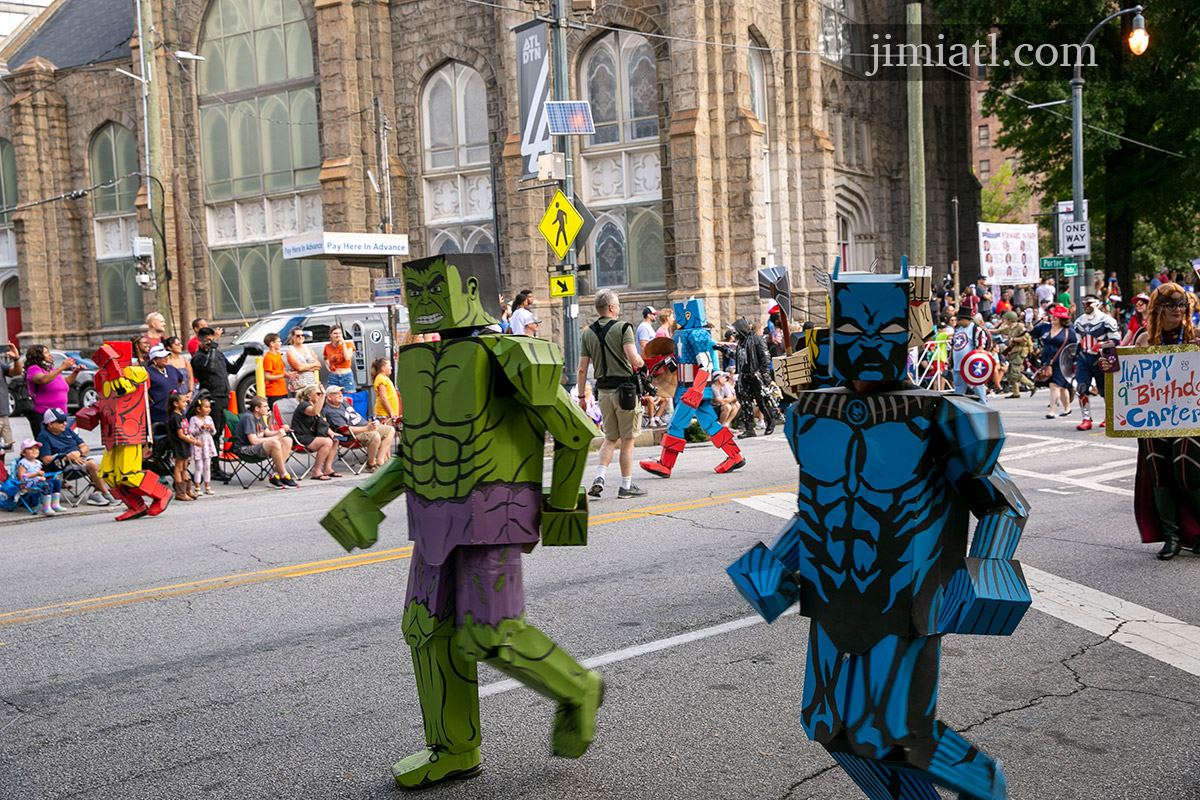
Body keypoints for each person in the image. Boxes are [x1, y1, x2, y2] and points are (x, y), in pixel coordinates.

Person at [727, 262, 1029, 800]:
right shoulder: (813, 415)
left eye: (883, 331)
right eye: (851, 330)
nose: (866, 343)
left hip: (904, 597)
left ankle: (986, 783)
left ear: (906, 332)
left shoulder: (941, 417)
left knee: (897, 733)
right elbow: (823, 506)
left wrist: (989, 569)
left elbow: (1001, 502)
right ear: (833, 333)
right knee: (827, 726)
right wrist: (778, 564)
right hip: (832, 596)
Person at [321, 253, 602, 788]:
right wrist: (367, 499)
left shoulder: (512, 354)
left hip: (491, 513)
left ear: (472, 286)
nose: (425, 297)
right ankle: (453, 749)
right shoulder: (420, 362)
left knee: (492, 634)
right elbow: (420, 451)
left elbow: (574, 432)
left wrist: (563, 507)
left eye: (436, 285)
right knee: (425, 631)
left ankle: (577, 688)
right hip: (432, 518)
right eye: (417, 287)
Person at [1130, 283, 1200, 559]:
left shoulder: (1196, 335)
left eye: (1182, 304)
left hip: (1191, 415)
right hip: (1154, 417)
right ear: (1157, 309)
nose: (1178, 310)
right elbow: (1129, 378)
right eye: (1171, 305)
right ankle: (1171, 536)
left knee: (1186, 471)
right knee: (1159, 474)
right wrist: (1110, 367)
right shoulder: (1144, 339)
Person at [578, 289, 647, 499]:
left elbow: (581, 369)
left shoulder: (587, 333)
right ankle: (626, 486)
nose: (618, 308)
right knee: (627, 439)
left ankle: (600, 476)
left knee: (610, 438)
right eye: (617, 305)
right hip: (625, 391)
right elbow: (634, 358)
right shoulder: (623, 327)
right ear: (611, 308)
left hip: (603, 392)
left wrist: (582, 397)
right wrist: (644, 364)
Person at [191, 326, 258, 484]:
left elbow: (233, 369)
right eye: (207, 341)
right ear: (200, 341)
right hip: (211, 397)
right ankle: (213, 469)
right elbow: (209, 367)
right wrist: (212, 349)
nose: (211, 343)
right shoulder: (199, 357)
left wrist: (244, 354)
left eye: (212, 340)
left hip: (223, 395)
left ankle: (215, 467)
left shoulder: (218, 354)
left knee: (219, 431)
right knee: (213, 433)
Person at [37, 408, 115, 506]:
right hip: (65, 466)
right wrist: (68, 457)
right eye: (61, 421)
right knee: (91, 464)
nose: (65, 423)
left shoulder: (67, 431)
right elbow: (46, 460)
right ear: (50, 424)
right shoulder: (44, 436)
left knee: (109, 459)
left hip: (80, 459)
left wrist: (77, 453)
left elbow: (85, 447)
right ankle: (106, 493)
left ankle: (96, 493)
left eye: (65, 420)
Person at [1072, 294, 1120, 431]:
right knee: (1081, 387)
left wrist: (1101, 344)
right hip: (1084, 358)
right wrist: (1074, 360)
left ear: (1097, 304)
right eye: (1084, 304)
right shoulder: (1079, 321)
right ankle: (1086, 418)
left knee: (1105, 390)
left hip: (1101, 359)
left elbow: (1115, 340)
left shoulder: (1107, 320)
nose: (1086, 307)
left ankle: (1109, 416)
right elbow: (1078, 342)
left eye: (1089, 304)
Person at [321, 383, 395, 472]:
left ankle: (380, 460)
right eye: (337, 393)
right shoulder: (330, 411)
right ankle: (371, 464)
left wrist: (370, 425)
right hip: (352, 436)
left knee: (390, 430)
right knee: (375, 435)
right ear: (329, 397)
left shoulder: (344, 402)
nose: (341, 395)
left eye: (341, 392)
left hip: (366, 427)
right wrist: (367, 428)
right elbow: (345, 431)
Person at [232, 395, 298, 489]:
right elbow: (254, 441)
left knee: (287, 440)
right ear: (257, 408)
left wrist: (280, 430)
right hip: (245, 448)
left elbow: (266, 433)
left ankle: (275, 475)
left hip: (257, 447)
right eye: (265, 406)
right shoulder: (249, 418)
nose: (268, 408)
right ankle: (284, 474)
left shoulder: (259, 417)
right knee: (274, 443)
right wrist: (276, 437)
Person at [25, 345, 82, 437]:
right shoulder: (33, 369)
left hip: (61, 415)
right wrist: (62, 367)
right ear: (38, 356)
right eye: (46, 353)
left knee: (64, 444)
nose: (50, 355)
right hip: (44, 414)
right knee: (47, 445)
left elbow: (66, 382)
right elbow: (43, 380)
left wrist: (76, 372)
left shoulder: (51, 370)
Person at [731, 318, 773, 438]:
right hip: (745, 376)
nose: (735, 334)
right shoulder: (741, 343)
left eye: (736, 331)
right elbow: (740, 357)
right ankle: (749, 429)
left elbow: (765, 358)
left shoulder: (757, 339)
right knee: (745, 402)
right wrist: (724, 350)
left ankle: (770, 421)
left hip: (756, 375)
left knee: (762, 401)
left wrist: (765, 374)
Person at [292, 383, 338, 480]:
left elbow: (324, 424)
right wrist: (323, 396)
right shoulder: (304, 405)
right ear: (309, 396)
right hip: (301, 437)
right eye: (318, 393)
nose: (321, 395)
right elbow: (314, 411)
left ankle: (327, 469)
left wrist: (331, 433)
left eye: (321, 394)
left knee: (334, 440)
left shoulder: (320, 407)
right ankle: (316, 471)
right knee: (326, 442)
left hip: (313, 436)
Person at [1039, 305, 1076, 419]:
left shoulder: (1069, 331)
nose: (1053, 318)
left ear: (1062, 319)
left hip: (1063, 362)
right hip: (1047, 361)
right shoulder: (1046, 327)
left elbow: (1076, 346)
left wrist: (1074, 362)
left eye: (1056, 317)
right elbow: (1031, 331)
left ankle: (1052, 410)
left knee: (1054, 385)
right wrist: (1029, 321)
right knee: (1062, 387)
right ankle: (1067, 408)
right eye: (1052, 316)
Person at [949, 305, 990, 403]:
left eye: (959, 319)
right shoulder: (957, 330)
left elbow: (980, 347)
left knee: (978, 387)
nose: (957, 322)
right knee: (959, 388)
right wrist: (950, 360)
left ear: (966, 319)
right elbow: (953, 346)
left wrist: (978, 361)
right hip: (958, 364)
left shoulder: (976, 330)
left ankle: (983, 406)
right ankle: (958, 407)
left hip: (972, 364)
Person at [16, 438, 62, 515]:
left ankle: (55, 504)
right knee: (47, 485)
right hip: (28, 484)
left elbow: (40, 474)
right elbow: (22, 477)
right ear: (23, 453)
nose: (34, 450)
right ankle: (46, 507)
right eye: (30, 449)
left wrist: (41, 477)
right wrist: (36, 474)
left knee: (56, 482)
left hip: (38, 481)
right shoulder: (23, 463)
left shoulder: (37, 462)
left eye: (36, 448)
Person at [996, 311, 1036, 398]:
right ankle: (1016, 392)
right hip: (1014, 352)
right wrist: (987, 330)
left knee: (1015, 372)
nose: (1004, 320)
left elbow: (1024, 339)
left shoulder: (1020, 327)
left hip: (1020, 352)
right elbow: (999, 331)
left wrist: (1014, 340)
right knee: (1010, 373)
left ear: (1010, 319)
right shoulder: (1010, 328)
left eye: (1005, 319)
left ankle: (1032, 385)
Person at [146, 344, 187, 427]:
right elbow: (143, 390)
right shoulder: (148, 372)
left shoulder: (171, 368)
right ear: (154, 359)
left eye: (166, 356)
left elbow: (180, 380)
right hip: (159, 412)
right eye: (162, 357)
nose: (166, 358)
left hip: (177, 410)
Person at [167, 391, 197, 502]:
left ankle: (187, 489)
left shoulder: (182, 415)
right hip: (179, 445)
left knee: (185, 467)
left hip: (185, 444)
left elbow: (187, 431)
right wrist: (194, 442)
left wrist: (191, 437)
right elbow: (180, 435)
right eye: (183, 402)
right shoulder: (175, 417)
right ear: (175, 404)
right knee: (178, 468)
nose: (185, 403)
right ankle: (180, 492)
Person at [188, 395, 219, 495]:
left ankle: (207, 486)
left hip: (207, 443)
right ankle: (197, 487)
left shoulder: (209, 419)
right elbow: (191, 432)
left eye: (209, 407)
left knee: (207, 466)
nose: (208, 409)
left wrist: (211, 428)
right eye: (206, 407)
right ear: (198, 409)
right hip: (198, 444)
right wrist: (200, 428)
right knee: (198, 466)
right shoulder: (193, 419)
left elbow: (214, 432)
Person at [285, 328, 320, 393]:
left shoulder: (309, 349)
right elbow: (299, 368)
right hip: (299, 385)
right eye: (298, 335)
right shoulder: (290, 351)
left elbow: (318, 365)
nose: (300, 337)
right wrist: (313, 366)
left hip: (312, 383)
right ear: (292, 337)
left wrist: (304, 367)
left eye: (302, 335)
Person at [323, 325, 357, 392]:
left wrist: (343, 343)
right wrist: (327, 367)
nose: (337, 335)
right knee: (333, 396)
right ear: (331, 335)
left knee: (349, 396)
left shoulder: (348, 345)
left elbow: (347, 357)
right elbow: (325, 358)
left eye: (339, 333)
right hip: (334, 376)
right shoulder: (327, 347)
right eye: (335, 333)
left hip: (346, 375)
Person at [261, 333, 290, 408]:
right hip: (273, 392)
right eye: (278, 341)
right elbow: (267, 376)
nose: (280, 343)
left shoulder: (278, 355)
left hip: (282, 390)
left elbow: (281, 369)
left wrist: (290, 375)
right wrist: (283, 375)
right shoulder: (268, 358)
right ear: (272, 344)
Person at [0, 340, 20, 452]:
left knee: (5, 450)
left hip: (3, 414)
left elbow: (16, 372)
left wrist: (16, 359)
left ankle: (2, 470)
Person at [372, 357, 400, 422]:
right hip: (384, 413)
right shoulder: (381, 379)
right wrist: (390, 411)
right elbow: (383, 397)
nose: (391, 368)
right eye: (389, 366)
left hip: (388, 413)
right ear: (383, 368)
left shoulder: (385, 378)